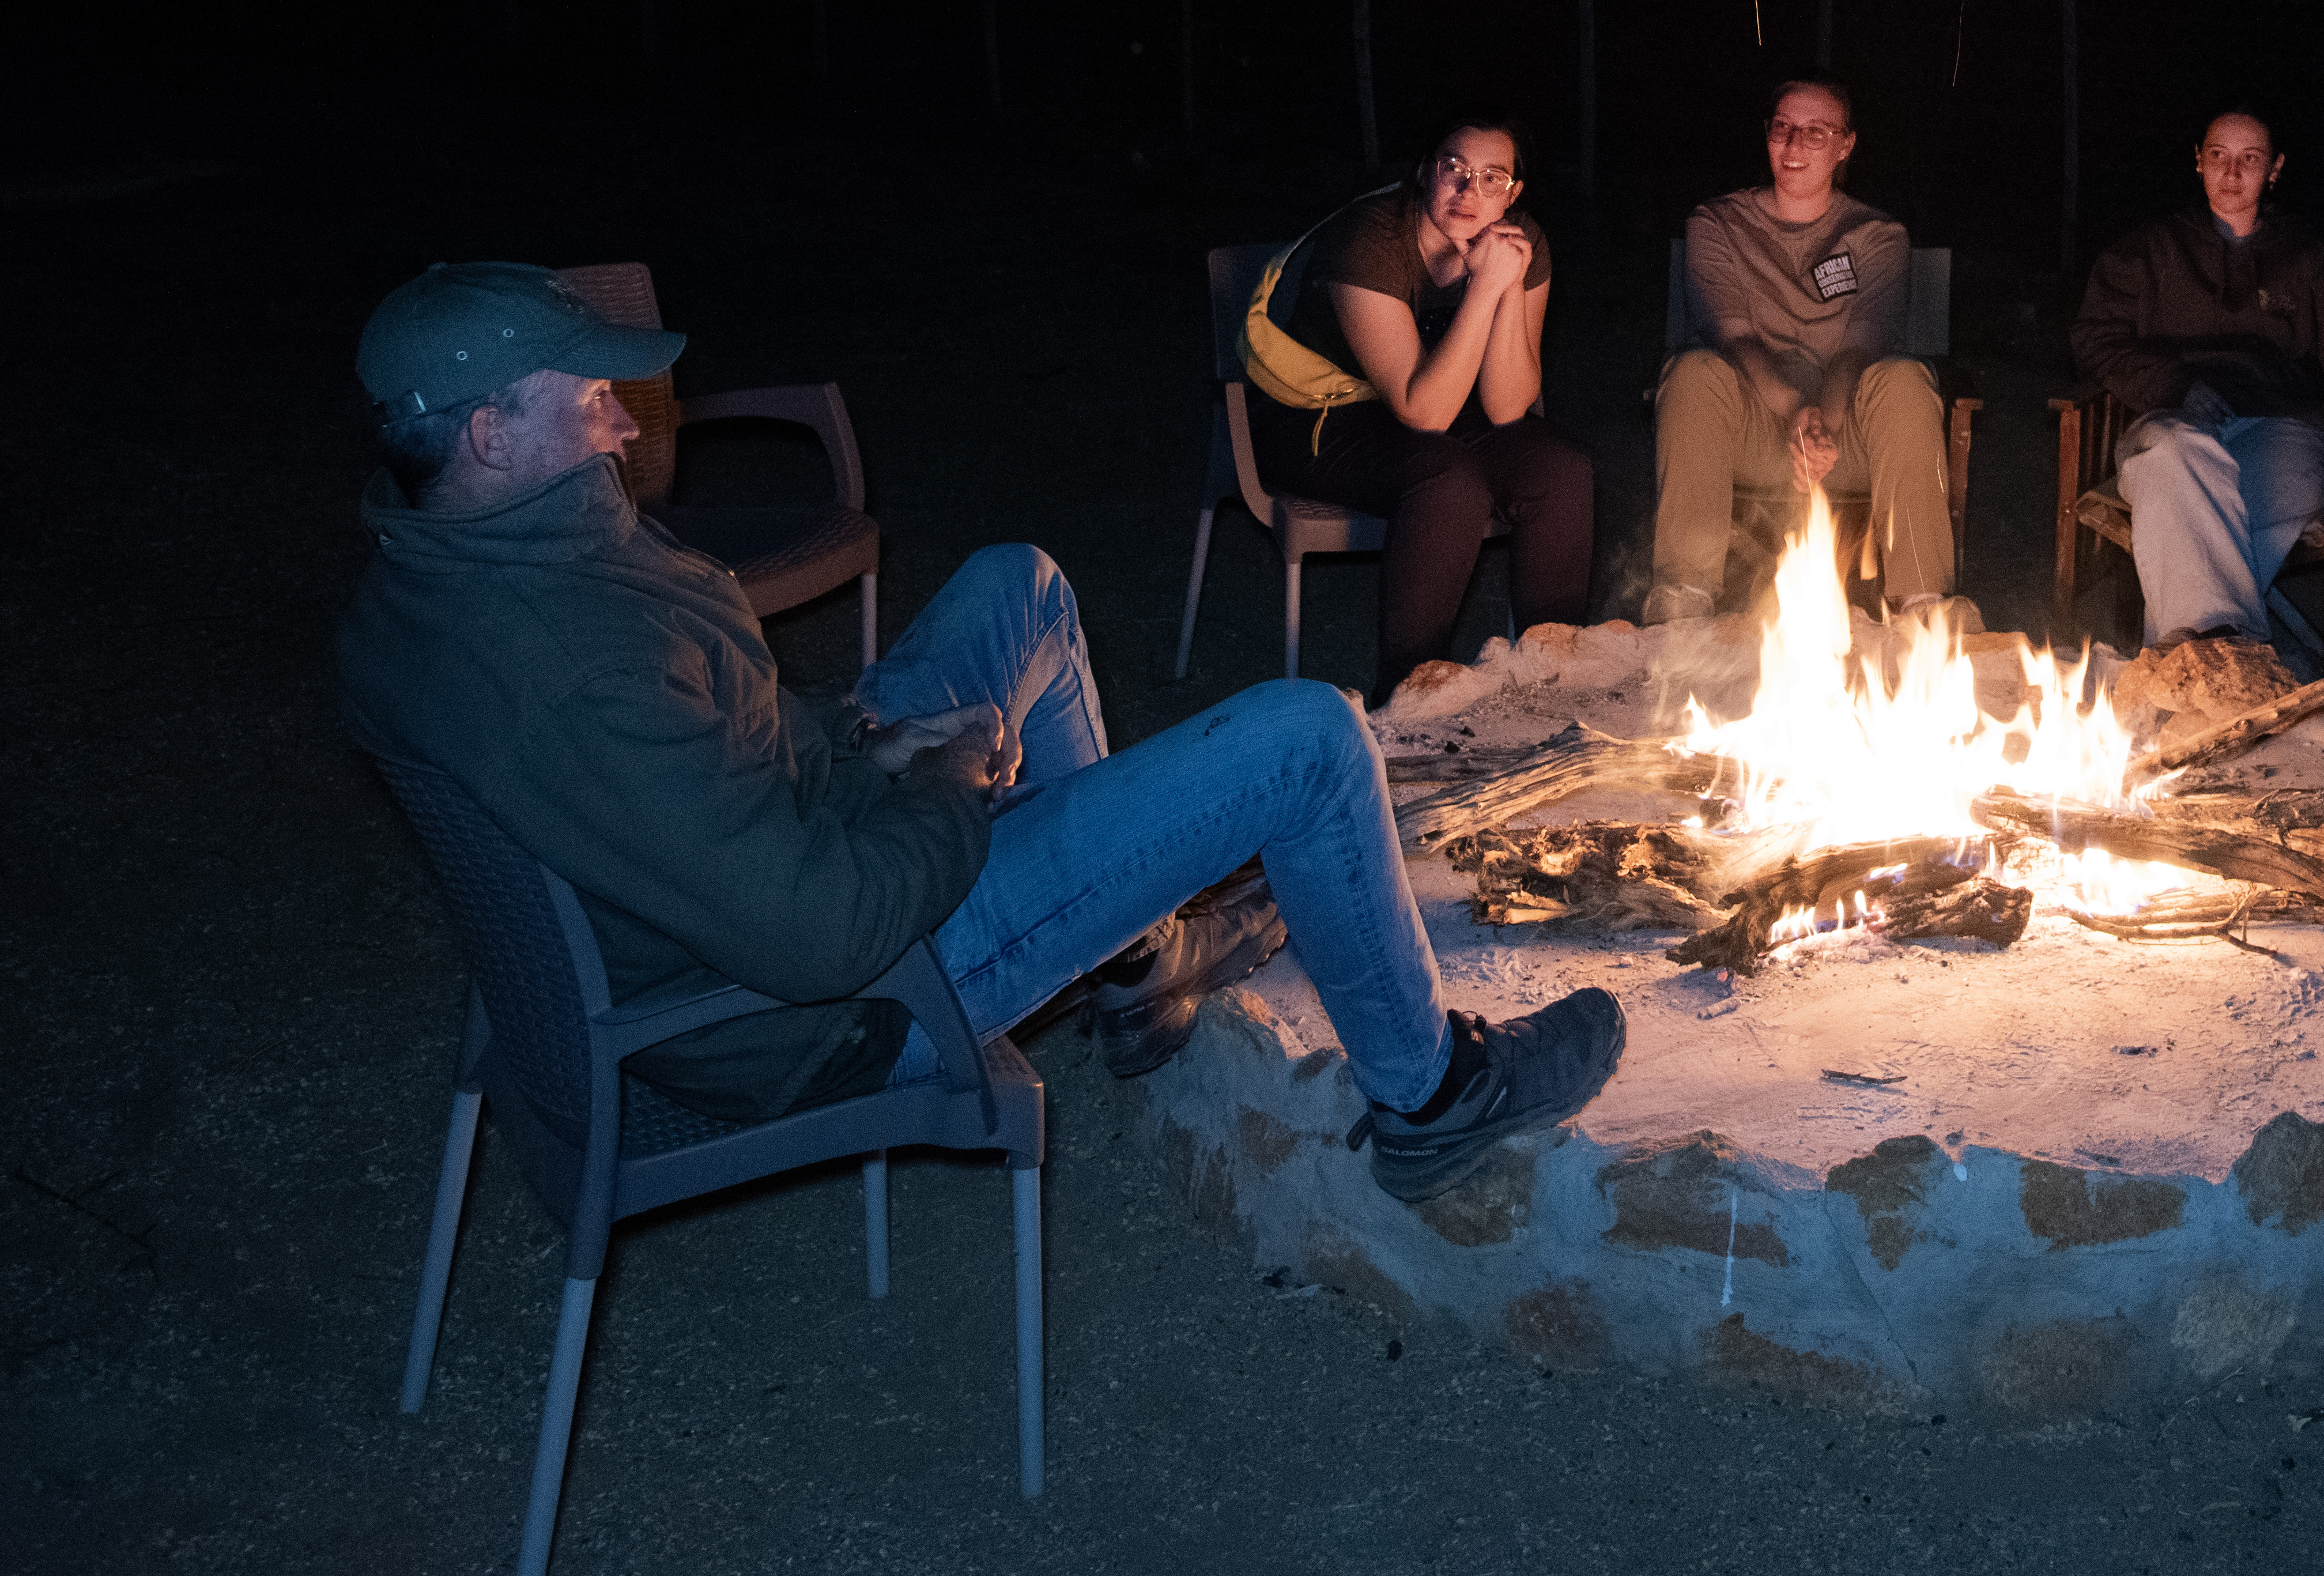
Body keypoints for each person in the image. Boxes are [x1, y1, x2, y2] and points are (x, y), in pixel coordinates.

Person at [335, 263, 1621, 1202]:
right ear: (489, 430)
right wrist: (942, 786)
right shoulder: (564, 661)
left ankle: (1136, 958)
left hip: (790, 854)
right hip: (847, 996)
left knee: (1024, 584)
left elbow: (706, 754)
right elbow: (818, 929)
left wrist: (862, 746)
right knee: (1310, 733)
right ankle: (1434, 1093)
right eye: (591, 395)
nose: (625, 418)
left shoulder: (460, 571)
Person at [1243, 116, 1597, 687]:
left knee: (1560, 466)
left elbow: (1507, 409)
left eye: (1491, 178)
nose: (1468, 192)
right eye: (1453, 169)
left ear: (1514, 193)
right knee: (1447, 479)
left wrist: (1507, 285)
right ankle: (1408, 703)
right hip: (1311, 417)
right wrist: (1484, 288)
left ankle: (1553, 685)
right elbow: (1422, 411)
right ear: (1424, 172)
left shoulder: (1519, 242)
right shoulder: (1371, 237)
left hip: (1424, 408)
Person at [2070, 109, 2324, 653]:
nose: (2232, 173)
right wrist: (2173, 387)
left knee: (2182, 512)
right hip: (2176, 417)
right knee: (2170, 459)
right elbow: (2094, 336)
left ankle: (2187, 655)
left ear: (2275, 169)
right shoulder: (2150, 250)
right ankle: (2234, 653)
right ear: (2198, 162)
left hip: (2283, 427)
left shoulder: (2310, 255)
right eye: (2219, 157)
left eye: (2250, 159)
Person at [1647, 77, 1956, 622]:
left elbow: (1860, 348)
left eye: (1816, 133)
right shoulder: (1718, 224)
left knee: (1906, 380)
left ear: (1846, 146)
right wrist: (1793, 411)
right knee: (1694, 372)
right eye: (1783, 129)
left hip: (1847, 443)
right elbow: (1735, 335)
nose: (1793, 147)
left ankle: (1922, 606)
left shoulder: (1877, 236)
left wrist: (1824, 427)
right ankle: (1683, 601)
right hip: (1751, 432)